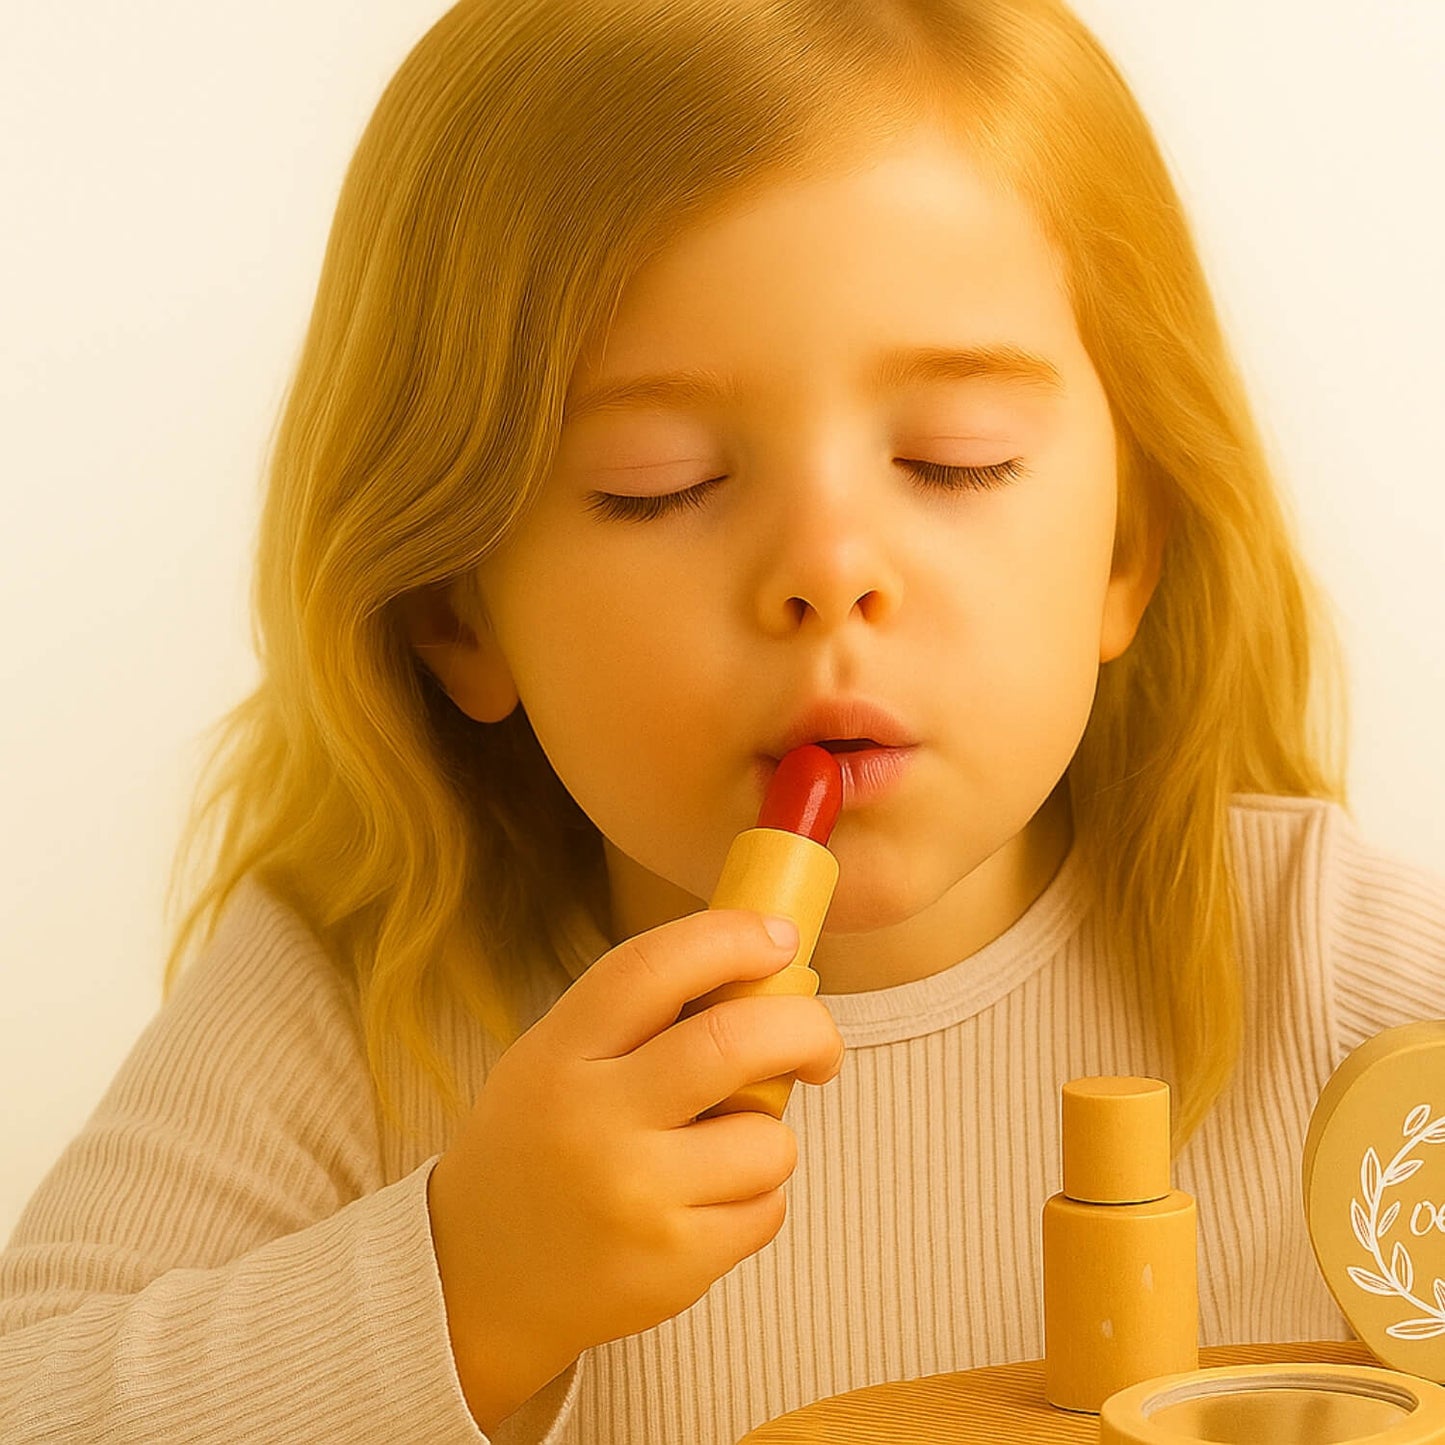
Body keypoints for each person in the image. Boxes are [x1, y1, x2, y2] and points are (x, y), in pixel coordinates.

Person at [5, 0, 1444, 1440]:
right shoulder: (362, 999)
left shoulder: (1324, 977)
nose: (829, 571)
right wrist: (461, 1290)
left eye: (954, 462)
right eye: (661, 480)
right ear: (456, 608)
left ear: (1125, 551)